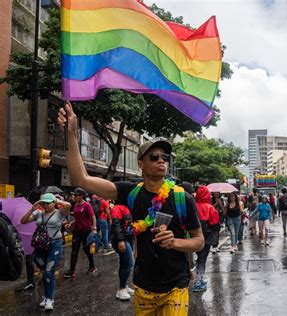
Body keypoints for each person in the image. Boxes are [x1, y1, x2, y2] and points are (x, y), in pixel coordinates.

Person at [57, 102, 204, 315]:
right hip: (143, 285)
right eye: (154, 157)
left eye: (165, 158)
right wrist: (71, 134)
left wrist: (175, 242)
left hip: (176, 286)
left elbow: (199, 241)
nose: (161, 161)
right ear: (141, 164)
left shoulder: (183, 197)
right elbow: (81, 178)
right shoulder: (130, 192)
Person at [20, 193, 71, 311]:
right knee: (44, 272)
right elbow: (23, 221)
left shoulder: (60, 212)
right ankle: (46, 296)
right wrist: (32, 209)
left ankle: (49, 299)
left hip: (54, 245)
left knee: (49, 272)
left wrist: (56, 200)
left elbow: (68, 205)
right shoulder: (38, 213)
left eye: (48, 203)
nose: (45, 205)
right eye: (43, 203)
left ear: (54, 203)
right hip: (41, 246)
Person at [63, 187, 97, 278]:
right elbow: (77, 218)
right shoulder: (75, 205)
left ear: (81, 196)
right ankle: (72, 270)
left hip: (86, 231)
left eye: (76, 195)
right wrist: (71, 223)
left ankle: (92, 265)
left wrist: (94, 227)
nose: (74, 196)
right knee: (74, 250)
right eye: (74, 195)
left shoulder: (87, 205)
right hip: (77, 231)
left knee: (87, 250)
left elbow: (92, 216)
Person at [192, 186, 220, 292]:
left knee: (198, 257)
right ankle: (198, 281)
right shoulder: (210, 208)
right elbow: (216, 224)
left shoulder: (194, 206)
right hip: (206, 238)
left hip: (193, 237)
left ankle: (199, 279)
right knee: (202, 259)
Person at [110, 203, 135, 300]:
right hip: (121, 239)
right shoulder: (117, 208)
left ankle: (124, 285)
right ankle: (121, 289)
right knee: (129, 263)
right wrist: (120, 240)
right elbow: (115, 225)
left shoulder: (129, 206)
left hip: (128, 238)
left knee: (124, 263)